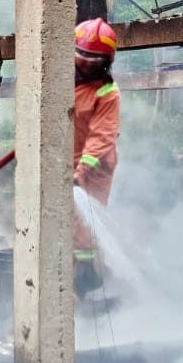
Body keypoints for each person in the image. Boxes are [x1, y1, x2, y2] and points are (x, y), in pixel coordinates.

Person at [71, 17, 121, 296]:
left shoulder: (108, 92)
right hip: (68, 162)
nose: (87, 62)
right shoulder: (66, 81)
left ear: (106, 60)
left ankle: (89, 283)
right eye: (83, 55)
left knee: (84, 228)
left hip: (96, 167)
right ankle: (69, 279)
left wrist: (82, 170)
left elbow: (102, 136)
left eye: (94, 58)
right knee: (64, 222)